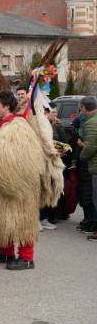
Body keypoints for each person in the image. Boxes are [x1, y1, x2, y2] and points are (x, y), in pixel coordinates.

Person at [0, 91, 50, 270]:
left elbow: (15, 155)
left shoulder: (18, 126)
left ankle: (27, 258)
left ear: (7, 105)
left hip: (19, 185)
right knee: (3, 218)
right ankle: (6, 252)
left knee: (22, 220)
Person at [78, 96, 97, 242]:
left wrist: (82, 156)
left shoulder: (91, 123)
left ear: (84, 108)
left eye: (81, 108)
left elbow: (91, 146)